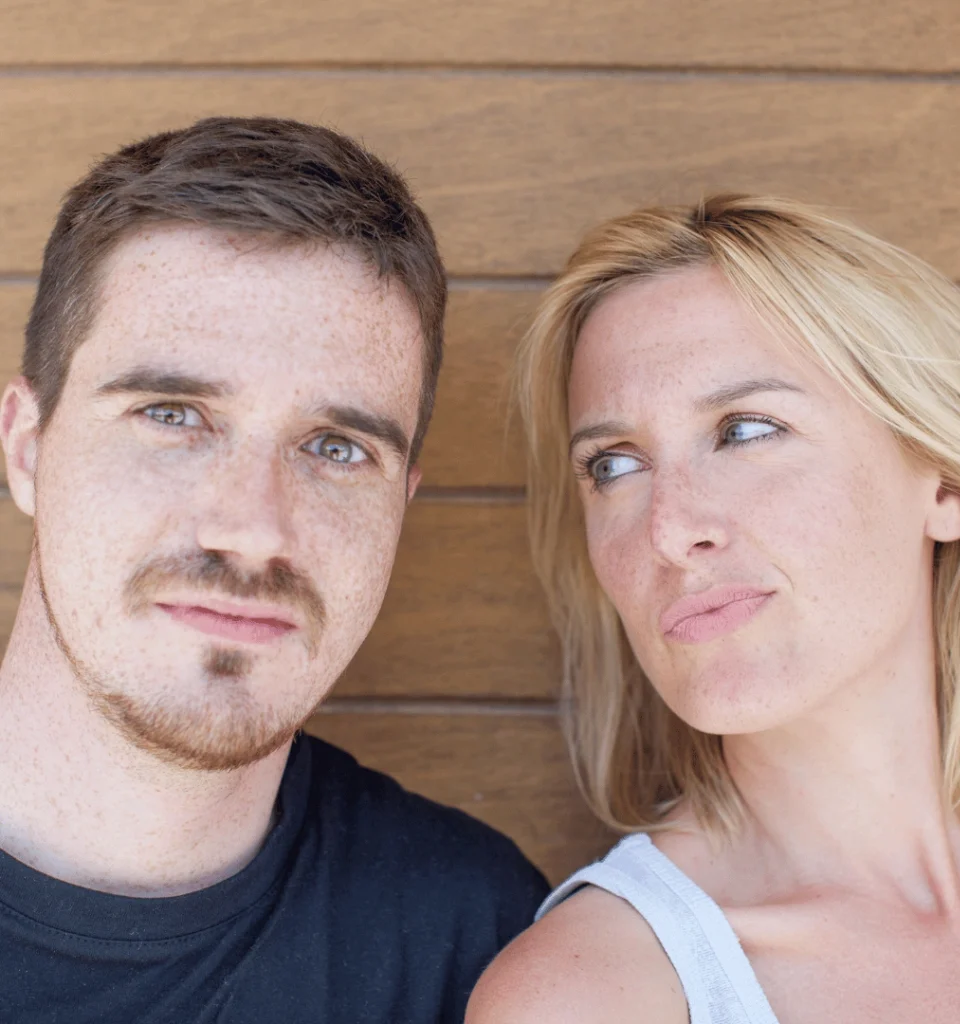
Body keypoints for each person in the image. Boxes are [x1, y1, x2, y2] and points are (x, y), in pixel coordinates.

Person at [0, 115, 549, 1023]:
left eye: (336, 448)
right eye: (172, 415)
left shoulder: (473, 941)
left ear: (401, 505)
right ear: (27, 449)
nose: (253, 529)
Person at [468, 194, 960, 1023]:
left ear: (942, 483)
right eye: (614, 466)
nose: (669, 531)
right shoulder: (595, 996)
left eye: (746, 429)